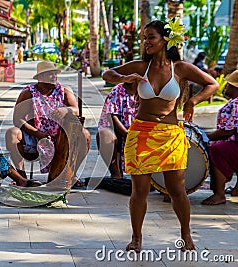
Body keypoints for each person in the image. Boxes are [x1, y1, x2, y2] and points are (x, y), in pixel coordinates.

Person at [102, 19, 218, 252]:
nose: (146, 42)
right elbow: (107, 73)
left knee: (177, 191)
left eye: (151, 37)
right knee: (139, 192)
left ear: (166, 39)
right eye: (144, 38)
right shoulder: (139, 66)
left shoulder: (180, 68)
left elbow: (212, 84)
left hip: (170, 136)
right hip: (141, 133)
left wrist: (192, 101)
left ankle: (186, 236)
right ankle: (136, 239)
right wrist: (124, 79)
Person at [5, 60, 91, 188]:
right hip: (34, 135)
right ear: (40, 77)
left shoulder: (64, 90)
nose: (54, 77)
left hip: (61, 136)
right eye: (50, 74)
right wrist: (37, 133)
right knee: (11, 133)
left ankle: (71, 175)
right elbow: (17, 119)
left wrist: (65, 109)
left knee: (85, 135)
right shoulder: (29, 92)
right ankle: (22, 178)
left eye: (55, 74)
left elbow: (75, 109)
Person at [201, 70, 238, 205]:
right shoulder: (234, 102)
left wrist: (205, 137)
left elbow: (229, 131)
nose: (226, 87)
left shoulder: (237, 103)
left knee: (217, 149)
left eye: (228, 85)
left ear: (235, 88)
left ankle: (219, 194)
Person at [97, 82, 139, 178]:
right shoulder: (118, 90)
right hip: (118, 131)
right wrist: (127, 134)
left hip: (140, 132)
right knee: (105, 135)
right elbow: (111, 116)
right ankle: (116, 174)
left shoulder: (146, 90)